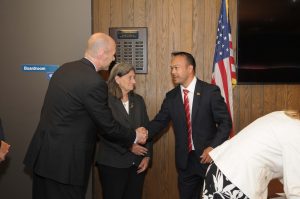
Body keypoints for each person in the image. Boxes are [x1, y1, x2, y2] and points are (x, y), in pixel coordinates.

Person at [23, 33, 147, 199]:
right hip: (65, 164)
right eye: (112, 54)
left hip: (44, 157)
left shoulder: (64, 69)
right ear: (102, 53)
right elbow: (107, 125)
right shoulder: (94, 82)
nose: (113, 59)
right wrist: (134, 135)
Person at [146, 51, 232, 199]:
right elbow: (159, 122)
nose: (173, 71)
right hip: (185, 162)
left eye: (176, 67)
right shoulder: (171, 97)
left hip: (208, 159)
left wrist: (213, 147)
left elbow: (226, 122)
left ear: (190, 68)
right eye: (171, 68)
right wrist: (141, 134)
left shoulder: (210, 92)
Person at [202, 110, 300, 199]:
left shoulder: (286, 117)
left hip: (221, 168)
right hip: (235, 180)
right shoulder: (296, 131)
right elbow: (295, 190)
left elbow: (288, 169)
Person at [95, 62, 152, 199]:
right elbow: (103, 132)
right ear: (117, 79)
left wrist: (147, 155)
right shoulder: (104, 101)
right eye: (130, 77)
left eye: (134, 77)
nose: (134, 81)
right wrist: (129, 146)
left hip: (137, 164)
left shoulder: (138, 100)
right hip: (113, 163)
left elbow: (146, 128)